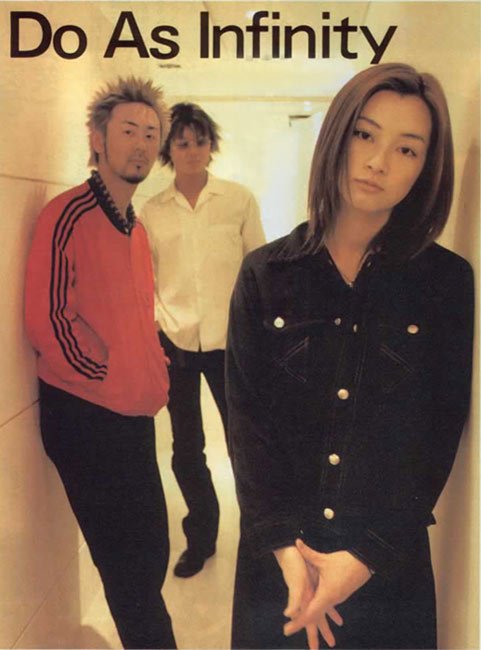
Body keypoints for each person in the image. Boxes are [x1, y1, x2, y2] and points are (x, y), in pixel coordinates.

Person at [226, 63, 474, 650]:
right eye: (365, 134)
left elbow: (438, 433)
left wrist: (363, 558)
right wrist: (288, 554)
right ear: (338, 135)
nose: (378, 162)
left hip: (386, 567)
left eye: (407, 149)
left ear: (426, 168)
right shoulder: (265, 274)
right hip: (279, 566)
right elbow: (246, 426)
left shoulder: (445, 282)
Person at [24, 77, 177, 649]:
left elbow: (136, 319)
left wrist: (153, 369)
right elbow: (47, 320)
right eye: (129, 131)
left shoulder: (135, 227)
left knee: (151, 558)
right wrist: (110, 376)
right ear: (97, 137)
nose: (141, 144)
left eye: (151, 134)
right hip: (87, 418)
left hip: (130, 418)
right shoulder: (68, 213)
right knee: (132, 577)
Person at [141, 103, 265, 578]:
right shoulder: (152, 211)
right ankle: (201, 538)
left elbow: (258, 269)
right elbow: (147, 280)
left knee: (244, 445)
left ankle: (261, 540)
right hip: (174, 344)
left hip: (231, 344)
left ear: (211, 145)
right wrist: (157, 327)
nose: (192, 150)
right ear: (168, 150)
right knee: (186, 450)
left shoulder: (238, 200)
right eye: (182, 142)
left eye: (200, 141)